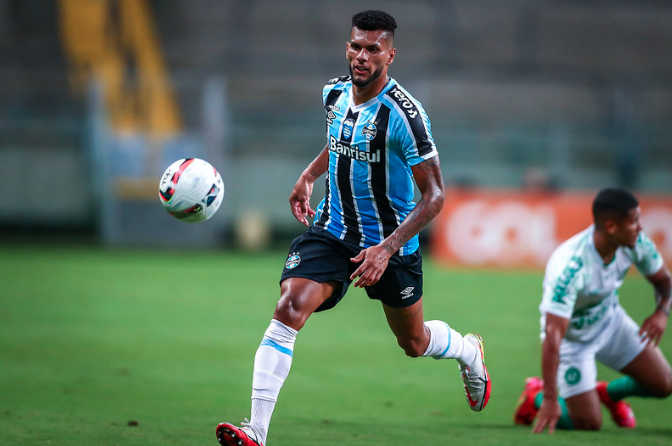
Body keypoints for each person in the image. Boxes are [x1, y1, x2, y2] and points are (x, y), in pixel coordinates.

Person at [215, 10, 491, 446]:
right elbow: (339, 139)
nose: (362, 56)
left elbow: (435, 195)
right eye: (356, 46)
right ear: (347, 47)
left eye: (372, 49)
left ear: (390, 55)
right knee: (289, 308)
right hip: (334, 229)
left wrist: (387, 248)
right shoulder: (334, 93)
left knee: (413, 342)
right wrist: (309, 175)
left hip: (391, 245)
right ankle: (257, 431)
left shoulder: (405, 116)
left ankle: (468, 351)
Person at [514, 187, 672, 433]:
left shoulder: (636, 243)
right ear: (611, 226)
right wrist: (550, 398)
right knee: (588, 423)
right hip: (572, 341)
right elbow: (553, 336)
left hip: (611, 324)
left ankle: (607, 394)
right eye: (633, 221)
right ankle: (534, 394)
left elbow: (664, 282)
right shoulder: (571, 267)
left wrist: (661, 312)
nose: (640, 227)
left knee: (664, 384)